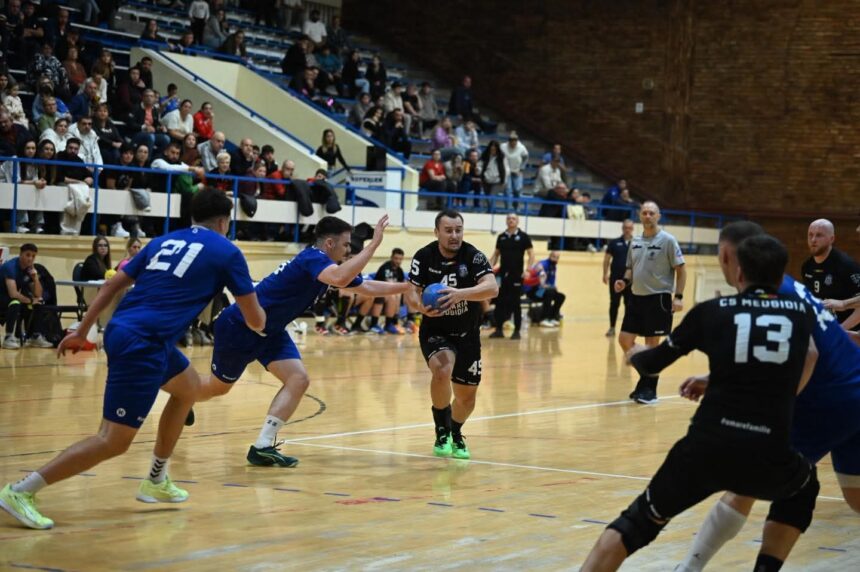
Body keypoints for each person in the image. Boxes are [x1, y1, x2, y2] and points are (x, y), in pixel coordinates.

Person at [0, 190, 266, 530]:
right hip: (144, 343)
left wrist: (83, 329)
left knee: (188, 390)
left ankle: (156, 479)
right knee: (113, 440)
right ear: (225, 222)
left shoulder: (162, 241)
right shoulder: (228, 251)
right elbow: (256, 319)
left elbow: (110, 287)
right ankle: (21, 491)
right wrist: (259, 323)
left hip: (127, 330)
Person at [581, 234, 821, 572]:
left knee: (637, 523)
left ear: (738, 272)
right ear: (781, 278)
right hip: (768, 451)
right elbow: (809, 354)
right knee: (803, 489)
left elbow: (653, 363)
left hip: (706, 448)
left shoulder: (712, 312)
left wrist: (635, 354)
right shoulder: (801, 314)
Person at [675, 221, 860, 572]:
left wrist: (778, 406)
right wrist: (715, 379)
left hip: (827, 402)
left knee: (744, 481)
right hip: (854, 390)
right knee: (856, 498)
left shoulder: (772, 295)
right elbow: (782, 353)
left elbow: (806, 355)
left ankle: (687, 569)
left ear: (733, 258)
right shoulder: (790, 285)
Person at [191, 215, 409, 467]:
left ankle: (263, 445)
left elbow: (366, 287)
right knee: (219, 388)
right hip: (240, 325)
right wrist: (374, 245)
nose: (348, 250)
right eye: (346, 245)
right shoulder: (313, 258)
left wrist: (407, 287)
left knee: (298, 379)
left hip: (271, 331)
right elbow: (340, 278)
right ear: (329, 243)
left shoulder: (325, 266)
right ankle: (184, 396)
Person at [405, 210, 498, 459]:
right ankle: (442, 430)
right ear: (437, 232)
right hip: (436, 331)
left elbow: (492, 288)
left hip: (468, 334)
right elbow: (410, 291)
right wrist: (419, 307)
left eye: (458, 230)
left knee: (467, 398)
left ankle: (456, 432)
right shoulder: (424, 257)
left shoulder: (474, 256)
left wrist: (460, 294)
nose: (454, 235)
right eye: (448, 230)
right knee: (443, 370)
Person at [613, 201, 686, 404]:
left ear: (658, 216)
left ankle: (650, 390)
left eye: (651, 213)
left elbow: (681, 269)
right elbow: (630, 268)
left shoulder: (668, 240)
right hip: (636, 298)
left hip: (658, 298)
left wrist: (678, 297)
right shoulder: (635, 241)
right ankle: (645, 378)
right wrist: (624, 281)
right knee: (624, 340)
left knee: (651, 346)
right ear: (639, 215)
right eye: (644, 212)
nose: (647, 216)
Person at [800, 218, 860, 329]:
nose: (813, 240)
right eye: (810, 235)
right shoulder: (807, 267)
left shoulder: (847, 266)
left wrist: (840, 331)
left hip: (847, 333)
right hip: (824, 330)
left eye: (819, 235)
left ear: (831, 239)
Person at [488, 213, 534, 340]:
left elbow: (531, 254)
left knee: (515, 304)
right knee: (499, 303)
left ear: (518, 221)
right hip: (502, 276)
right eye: (508, 218)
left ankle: (517, 331)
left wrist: (528, 270)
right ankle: (498, 330)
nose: (511, 220)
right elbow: (496, 255)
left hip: (517, 276)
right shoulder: (501, 237)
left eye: (513, 218)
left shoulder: (524, 237)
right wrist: (488, 268)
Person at [0, 243, 52, 349]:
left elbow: (38, 294)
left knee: (39, 301)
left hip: (10, 299)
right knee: (15, 301)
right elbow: (13, 293)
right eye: (27, 255)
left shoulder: (29, 269)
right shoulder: (10, 267)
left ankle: (35, 336)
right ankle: (8, 337)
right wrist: (30, 300)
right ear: (20, 254)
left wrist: (35, 278)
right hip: (2, 299)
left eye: (33, 256)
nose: (30, 259)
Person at [602, 219, 634, 337]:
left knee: (629, 304)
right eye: (625, 227)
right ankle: (612, 328)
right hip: (615, 279)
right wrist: (605, 274)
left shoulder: (637, 243)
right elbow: (606, 259)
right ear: (622, 228)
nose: (627, 230)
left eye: (629, 228)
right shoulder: (614, 243)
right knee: (614, 303)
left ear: (632, 229)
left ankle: (626, 329)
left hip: (631, 281)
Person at [523, 251, 566, 327]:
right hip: (533, 291)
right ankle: (543, 319)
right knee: (549, 293)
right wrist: (549, 287)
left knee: (561, 296)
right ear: (550, 256)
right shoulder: (542, 265)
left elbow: (551, 284)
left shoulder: (553, 267)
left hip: (543, 291)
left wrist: (553, 288)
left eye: (557, 258)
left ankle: (552, 317)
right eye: (554, 257)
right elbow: (539, 282)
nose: (555, 259)